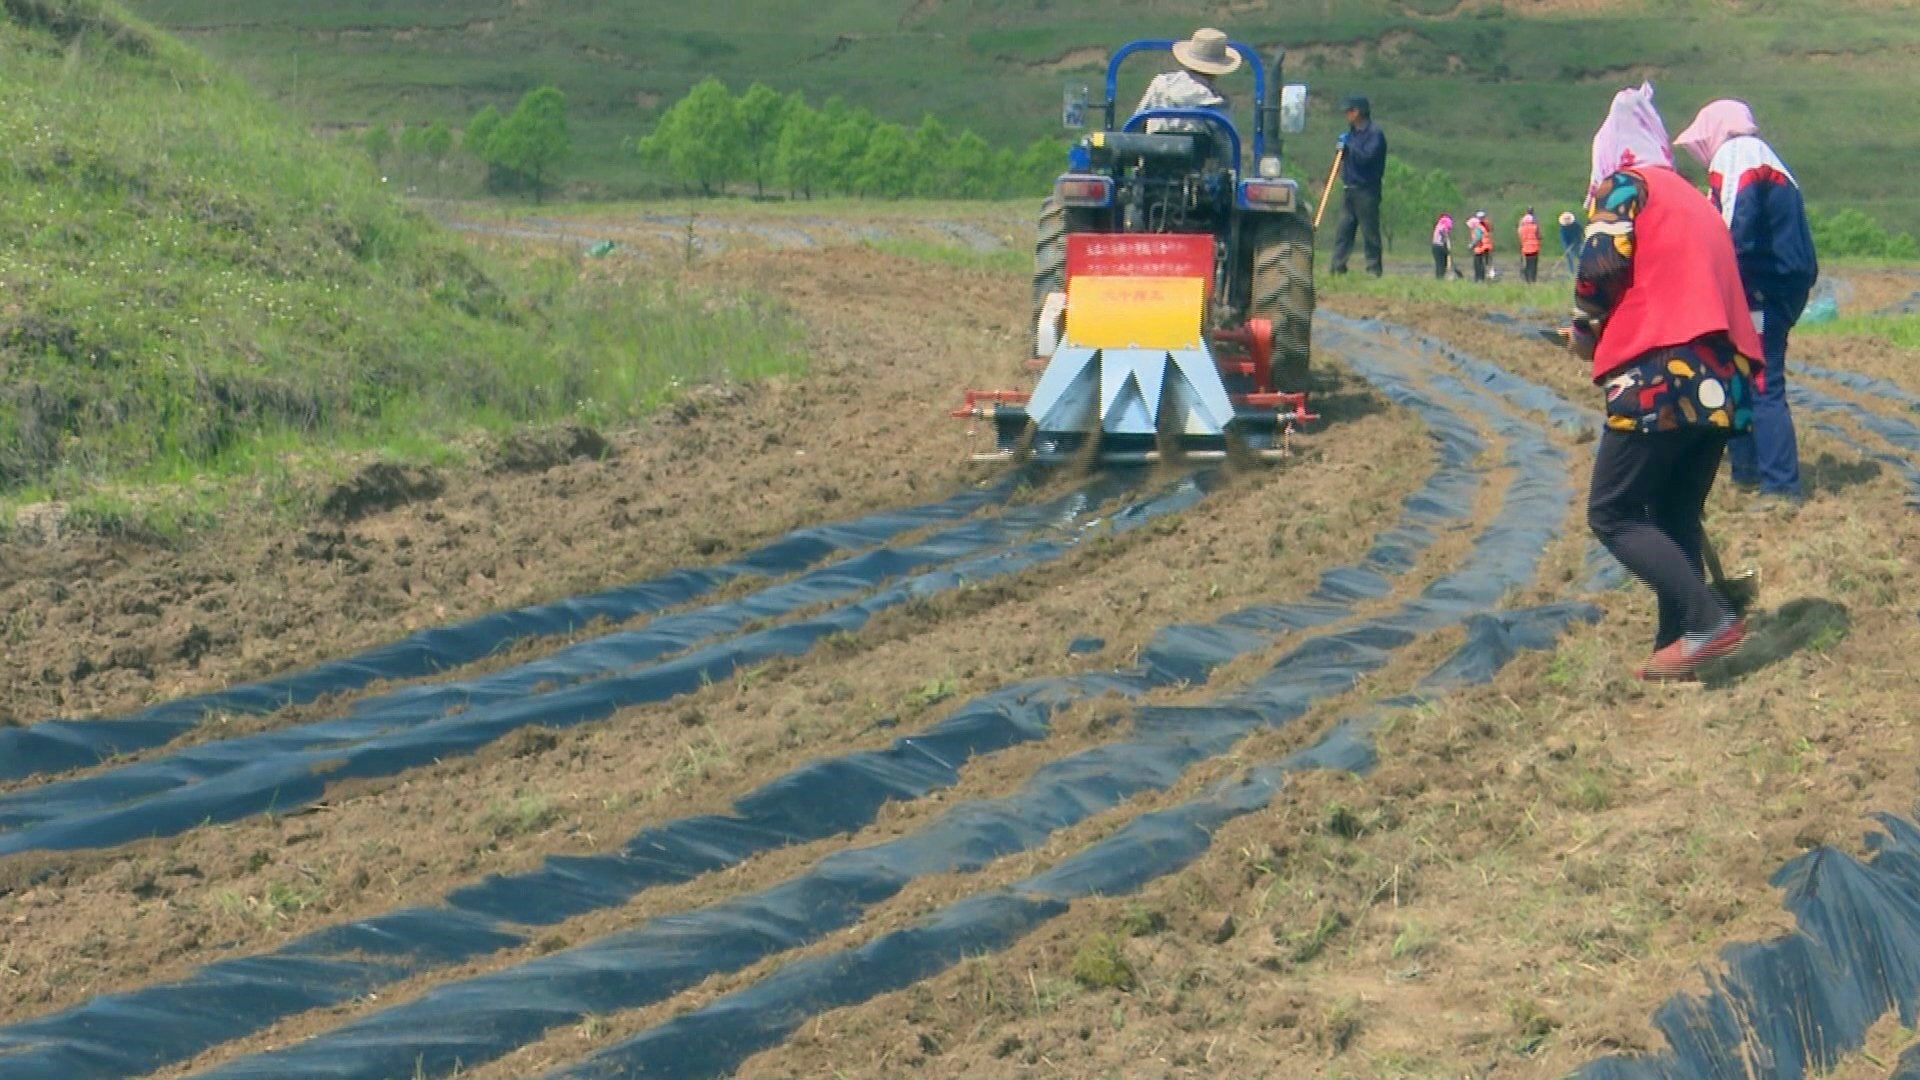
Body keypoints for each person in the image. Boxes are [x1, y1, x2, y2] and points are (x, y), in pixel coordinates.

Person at [1571, 82, 1763, 681]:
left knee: (1614, 512)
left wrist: (1584, 327)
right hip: (1724, 379)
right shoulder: (1691, 197)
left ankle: (1709, 619)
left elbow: (1600, 263)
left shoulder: (1627, 183)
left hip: (1665, 372)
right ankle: (1674, 642)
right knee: (1674, 511)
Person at [1675, 99, 1818, 504]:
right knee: (1735, 373)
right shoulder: (1758, 156)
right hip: (1774, 282)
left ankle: (1780, 487)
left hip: (1762, 285)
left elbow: (1733, 224)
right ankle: (1748, 472)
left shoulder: (1738, 153)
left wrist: (1709, 276)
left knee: (1760, 378)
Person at [1135, 28, 1238, 135]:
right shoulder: (1216, 103)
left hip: (1154, 149)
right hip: (1199, 151)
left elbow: (1136, 124)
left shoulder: (1161, 84)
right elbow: (1226, 142)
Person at [1330, 95, 1387, 277]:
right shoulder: (1351, 134)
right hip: (1349, 189)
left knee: (1369, 231)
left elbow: (1367, 158)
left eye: (1351, 110)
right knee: (1344, 230)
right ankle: (1337, 267)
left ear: (1360, 112)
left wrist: (1350, 148)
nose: (1347, 114)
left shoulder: (1374, 134)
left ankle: (1373, 269)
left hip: (1367, 190)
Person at [1518, 208, 1542, 283]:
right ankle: (1533, 279)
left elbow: (1520, 236)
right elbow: (1539, 236)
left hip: (1525, 248)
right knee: (1533, 265)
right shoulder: (1535, 226)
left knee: (1527, 264)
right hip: (1534, 248)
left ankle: (1527, 279)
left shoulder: (1521, 226)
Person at [1468, 210, 1493, 282]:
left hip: (1481, 248)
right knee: (1486, 263)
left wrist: (1471, 245)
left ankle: (1479, 279)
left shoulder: (1477, 228)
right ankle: (1484, 278)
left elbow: (1478, 238)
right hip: (1486, 247)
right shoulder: (1484, 225)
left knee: (1478, 264)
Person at [1431, 213, 1454, 279]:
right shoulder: (1444, 225)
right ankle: (1440, 278)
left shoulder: (1439, 225)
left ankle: (1439, 277)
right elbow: (1443, 235)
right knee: (1442, 264)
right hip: (1439, 246)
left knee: (1439, 264)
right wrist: (1446, 245)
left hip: (1435, 246)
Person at [1559, 210, 1581, 276]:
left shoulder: (1576, 225)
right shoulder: (1563, 228)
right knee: (1569, 258)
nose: (1567, 220)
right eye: (1566, 219)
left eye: (1568, 219)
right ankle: (1571, 273)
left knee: (1580, 257)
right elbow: (1563, 239)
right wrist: (1566, 248)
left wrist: (1577, 239)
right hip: (1568, 244)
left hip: (1577, 243)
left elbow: (1580, 232)